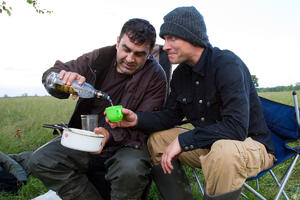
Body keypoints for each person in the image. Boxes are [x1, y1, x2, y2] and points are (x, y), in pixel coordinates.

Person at [107, 6, 276, 200]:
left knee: (223, 150)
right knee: (158, 139)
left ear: (192, 37)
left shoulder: (227, 64)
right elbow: (170, 116)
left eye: (172, 38)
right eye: (164, 39)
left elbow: (236, 129)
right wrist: (136, 119)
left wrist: (183, 141)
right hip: (209, 143)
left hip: (250, 146)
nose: (165, 46)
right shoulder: (180, 75)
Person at [28, 18, 167, 200]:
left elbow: (146, 124)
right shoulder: (99, 58)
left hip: (127, 144)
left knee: (131, 169)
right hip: (87, 138)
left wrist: (109, 134)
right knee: (41, 160)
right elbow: (51, 74)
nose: (130, 59)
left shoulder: (156, 76)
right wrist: (61, 78)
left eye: (139, 54)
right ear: (118, 42)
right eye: (126, 49)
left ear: (149, 53)